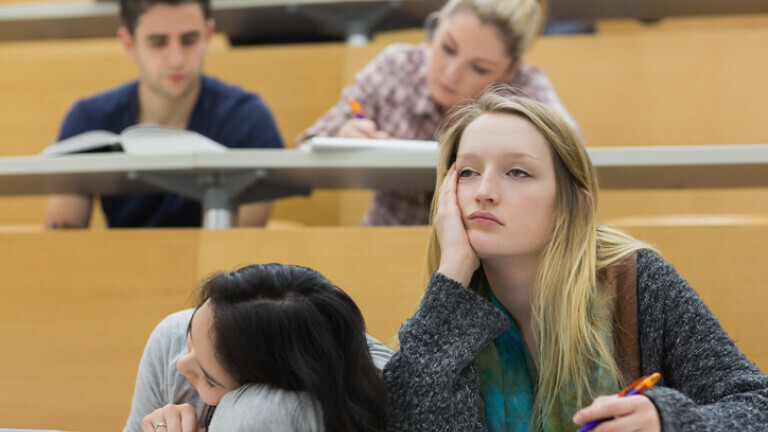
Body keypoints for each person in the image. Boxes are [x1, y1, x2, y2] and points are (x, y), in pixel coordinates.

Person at [383, 88, 768, 431]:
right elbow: (404, 417)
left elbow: (757, 406)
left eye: (517, 172)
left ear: (573, 205)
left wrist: (670, 421)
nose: (483, 191)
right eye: (468, 171)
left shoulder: (635, 281)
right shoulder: (453, 308)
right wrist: (451, 273)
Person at [298, 0, 579, 226]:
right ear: (436, 25)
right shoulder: (397, 67)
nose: (451, 73)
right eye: (447, 48)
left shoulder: (524, 89)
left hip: (485, 259)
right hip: (386, 239)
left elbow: (573, 159)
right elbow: (307, 144)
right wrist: (343, 134)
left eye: (479, 68)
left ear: (509, 72)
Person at [44, 0, 284, 228]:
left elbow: (240, 247)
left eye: (189, 40)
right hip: (118, 266)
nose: (176, 59)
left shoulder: (247, 118)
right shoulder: (89, 120)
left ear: (208, 35)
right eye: (158, 42)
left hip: (214, 268)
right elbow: (61, 239)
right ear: (129, 44)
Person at [124, 263, 391, 432]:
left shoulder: (273, 412)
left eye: (210, 380)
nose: (182, 364)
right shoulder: (171, 340)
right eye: (191, 336)